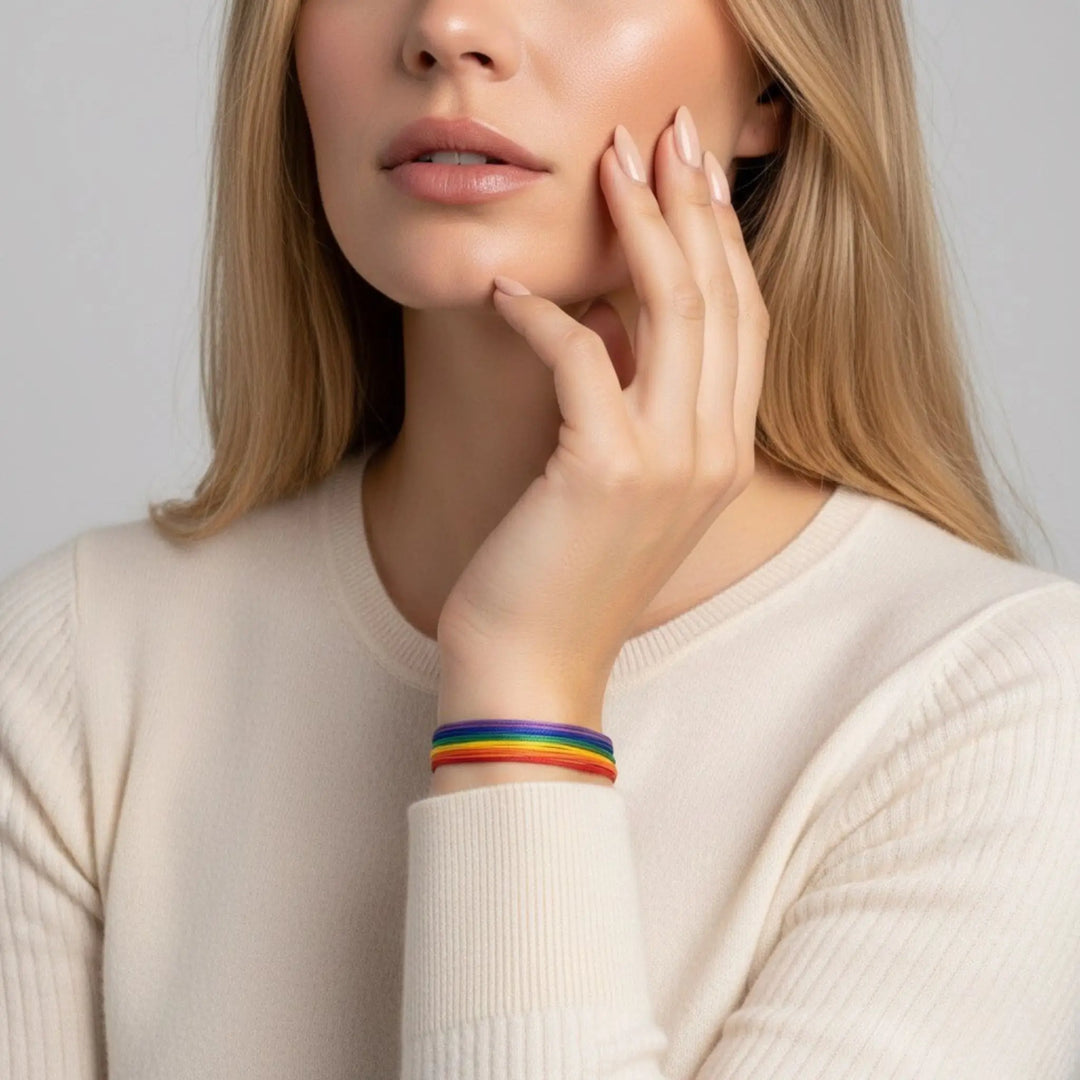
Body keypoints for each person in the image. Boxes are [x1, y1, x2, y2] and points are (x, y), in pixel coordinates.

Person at [2, 0, 1078, 1076]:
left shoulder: (995, 715)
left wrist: (523, 692)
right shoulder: (75, 672)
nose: (449, 27)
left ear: (773, 85)